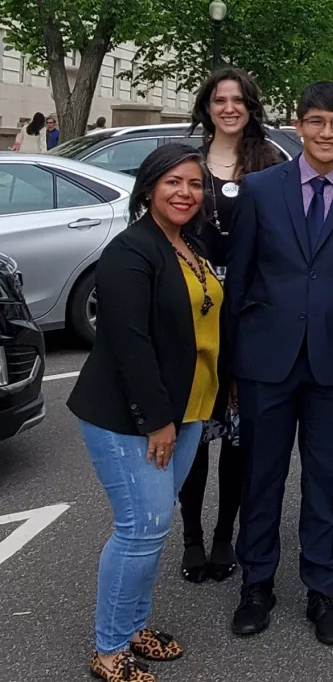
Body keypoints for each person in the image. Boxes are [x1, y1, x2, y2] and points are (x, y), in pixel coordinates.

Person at [226, 82, 333, 646]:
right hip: (265, 362)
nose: (326, 133)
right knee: (261, 478)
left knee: (328, 481)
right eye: (316, 122)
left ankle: (323, 590)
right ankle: (257, 585)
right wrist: (231, 369)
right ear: (298, 126)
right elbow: (240, 281)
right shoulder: (260, 191)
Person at [67, 145, 224, 682]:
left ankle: (134, 627)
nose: (185, 193)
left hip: (188, 409)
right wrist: (156, 418)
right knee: (140, 527)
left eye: (195, 184)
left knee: (153, 528)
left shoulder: (187, 244)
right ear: (149, 188)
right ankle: (109, 649)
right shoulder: (130, 252)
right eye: (172, 182)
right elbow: (129, 342)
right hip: (131, 415)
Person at [177, 68, 282, 585]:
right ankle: (192, 536)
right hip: (193, 312)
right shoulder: (186, 164)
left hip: (248, 315)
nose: (229, 107)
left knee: (241, 436)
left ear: (251, 106)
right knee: (193, 433)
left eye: (238, 99)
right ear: (207, 107)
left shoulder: (271, 162)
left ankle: (226, 536)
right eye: (220, 99)